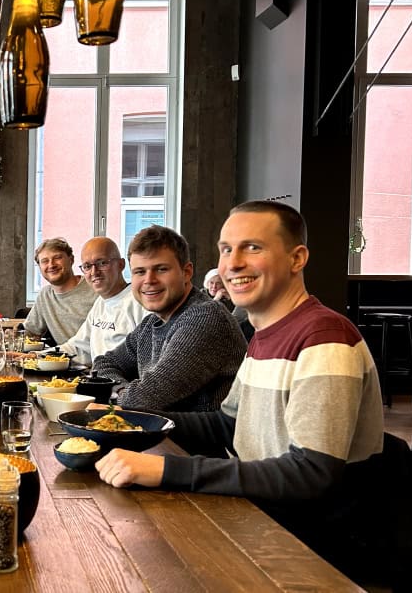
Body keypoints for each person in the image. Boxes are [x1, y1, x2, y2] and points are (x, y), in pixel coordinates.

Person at [95, 201, 387, 584]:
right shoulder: (265, 335)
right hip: (262, 514)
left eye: (252, 247)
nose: (232, 263)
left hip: (309, 546)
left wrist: (169, 469)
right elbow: (227, 424)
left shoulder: (324, 338)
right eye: (226, 249)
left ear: (297, 258)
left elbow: (312, 475)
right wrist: (127, 421)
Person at [92, 225, 246, 412]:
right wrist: (122, 391)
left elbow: (143, 399)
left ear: (186, 272)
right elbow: (103, 363)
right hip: (156, 429)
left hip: (195, 432)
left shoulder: (206, 317)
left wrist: (116, 392)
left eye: (161, 269)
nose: (149, 280)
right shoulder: (151, 323)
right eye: (140, 272)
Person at [54, 238, 147, 365]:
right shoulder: (101, 302)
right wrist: (36, 356)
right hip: (99, 375)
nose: (94, 272)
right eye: (87, 266)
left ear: (121, 265)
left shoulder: (140, 303)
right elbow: (79, 348)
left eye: (102, 263)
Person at [23, 238, 96, 346]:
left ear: (71, 260)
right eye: (45, 261)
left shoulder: (95, 289)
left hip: (97, 356)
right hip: (64, 356)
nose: (51, 265)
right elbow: (30, 333)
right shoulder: (45, 295)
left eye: (57, 258)